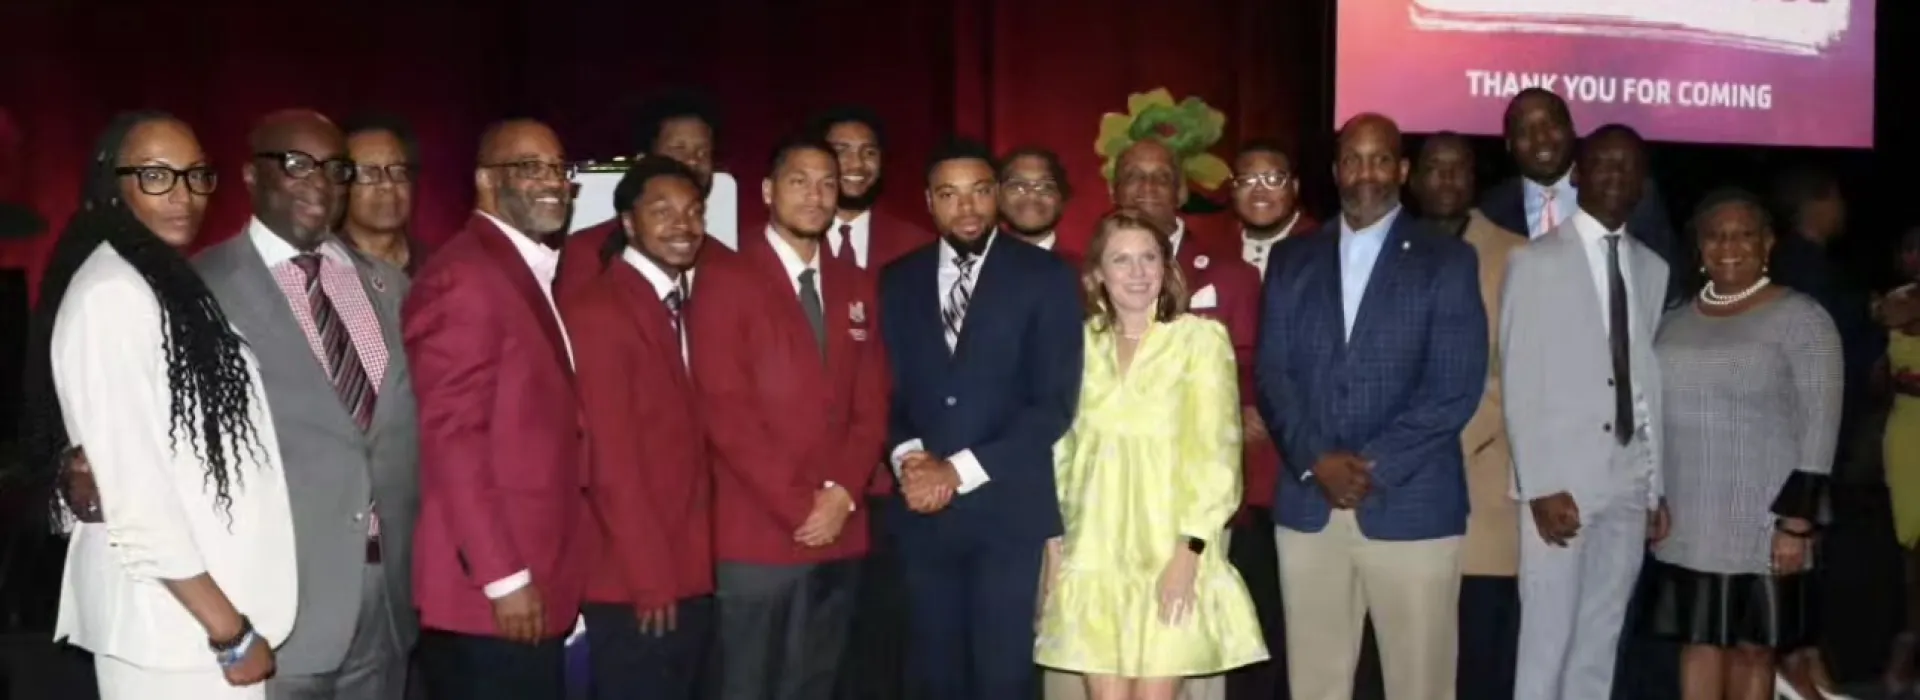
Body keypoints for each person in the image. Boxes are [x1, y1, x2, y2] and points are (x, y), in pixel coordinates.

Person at [20, 110, 295, 698]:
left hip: (191, 626)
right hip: (173, 632)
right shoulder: (112, 294)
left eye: (195, 176)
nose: (182, 195)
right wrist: (230, 632)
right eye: (154, 175)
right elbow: (135, 497)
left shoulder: (160, 282)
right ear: (110, 186)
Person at [191, 109, 420, 700]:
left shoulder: (389, 287)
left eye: (335, 169)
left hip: (386, 599)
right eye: (297, 164)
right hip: (275, 607)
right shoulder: (202, 287)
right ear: (249, 175)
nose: (320, 183)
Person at [1256, 113, 1486, 700]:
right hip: (1310, 505)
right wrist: (1318, 462)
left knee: (1420, 684)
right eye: (1353, 159)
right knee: (1316, 684)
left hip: (1411, 504)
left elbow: (1455, 386)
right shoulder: (1291, 261)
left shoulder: (1448, 261)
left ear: (1403, 171)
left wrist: (1365, 469)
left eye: (1380, 158)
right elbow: (1273, 377)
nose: (1366, 172)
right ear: (1335, 172)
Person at [878, 137, 1084, 700]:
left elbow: (1054, 404)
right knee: (932, 676)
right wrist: (910, 460)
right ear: (929, 201)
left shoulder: (1047, 277)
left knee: (1003, 678)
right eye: (950, 194)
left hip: (1007, 516)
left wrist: (957, 472)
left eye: (979, 192)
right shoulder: (898, 279)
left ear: (995, 196)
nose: (966, 208)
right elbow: (885, 391)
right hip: (922, 519)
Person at [1035, 209, 1269, 700]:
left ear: (1166, 267)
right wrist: (1056, 550)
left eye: (1149, 258)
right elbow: (1060, 453)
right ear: (1098, 273)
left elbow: (1218, 456)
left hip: (1170, 549)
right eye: (1122, 260)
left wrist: (1190, 553)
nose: (1138, 272)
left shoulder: (1198, 341)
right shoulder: (1078, 345)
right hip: (1093, 557)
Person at [690, 136, 888, 700]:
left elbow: (870, 403)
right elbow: (725, 411)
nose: (816, 195)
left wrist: (843, 495)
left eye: (828, 183)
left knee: (816, 684)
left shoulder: (856, 281)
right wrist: (802, 506)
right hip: (760, 533)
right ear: (768, 191)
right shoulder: (725, 276)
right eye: (800, 181)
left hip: (841, 531)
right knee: (750, 685)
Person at [404, 119, 591, 700]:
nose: (553, 183)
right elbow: (453, 440)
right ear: (485, 180)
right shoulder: (467, 276)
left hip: (535, 575)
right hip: (490, 593)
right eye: (529, 167)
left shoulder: (521, 269)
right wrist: (503, 578)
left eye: (559, 168)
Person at [1640, 189, 1842, 700]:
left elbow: (1821, 429)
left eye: (1744, 234)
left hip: (1765, 520)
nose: (1729, 245)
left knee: (1754, 649)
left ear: (1767, 243)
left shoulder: (1802, 317)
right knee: (1699, 643)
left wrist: (1796, 524)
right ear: (1699, 248)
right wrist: (1652, 494)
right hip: (1687, 517)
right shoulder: (1673, 319)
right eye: (1716, 235)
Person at [1502, 124, 1672, 700]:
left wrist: (1655, 485)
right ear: (1577, 173)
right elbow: (1521, 380)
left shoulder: (1652, 268)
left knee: (1601, 641)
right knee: (1545, 645)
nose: (1615, 175)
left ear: (1642, 183)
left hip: (1628, 479)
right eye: (1602, 163)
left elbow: (1642, 376)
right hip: (1562, 483)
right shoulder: (1534, 262)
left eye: (1628, 167)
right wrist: (1540, 485)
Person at [562, 157, 717, 700]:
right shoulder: (599, 310)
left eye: (695, 211)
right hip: (636, 582)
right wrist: (651, 578)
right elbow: (611, 460)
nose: (684, 224)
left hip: (691, 567)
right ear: (628, 223)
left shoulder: (688, 302)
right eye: (663, 211)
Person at [1409, 131, 1526, 700]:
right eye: (1435, 168)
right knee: (1414, 658)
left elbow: (1522, 370)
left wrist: (1439, 435)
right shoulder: (1389, 247)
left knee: (1479, 654)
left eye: (1459, 169)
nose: (1447, 180)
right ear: (1413, 177)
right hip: (1400, 488)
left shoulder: (1516, 254)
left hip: (1480, 478)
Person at [339, 113, 427, 275]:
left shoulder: (437, 266)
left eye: (398, 171)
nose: (387, 184)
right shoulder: (319, 269)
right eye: (369, 173)